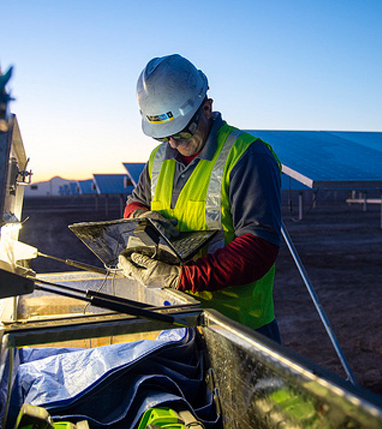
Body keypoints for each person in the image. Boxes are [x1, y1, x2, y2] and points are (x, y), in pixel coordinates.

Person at [118, 54, 283, 343]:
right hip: (175, 317)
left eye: (181, 133)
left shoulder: (248, 156)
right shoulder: (159, 158)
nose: (172, 144)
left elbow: (259, 248)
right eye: (163, 136)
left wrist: (179, 276)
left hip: (238, 328)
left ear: (206, 109)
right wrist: (139, 218)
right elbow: (134, 203)